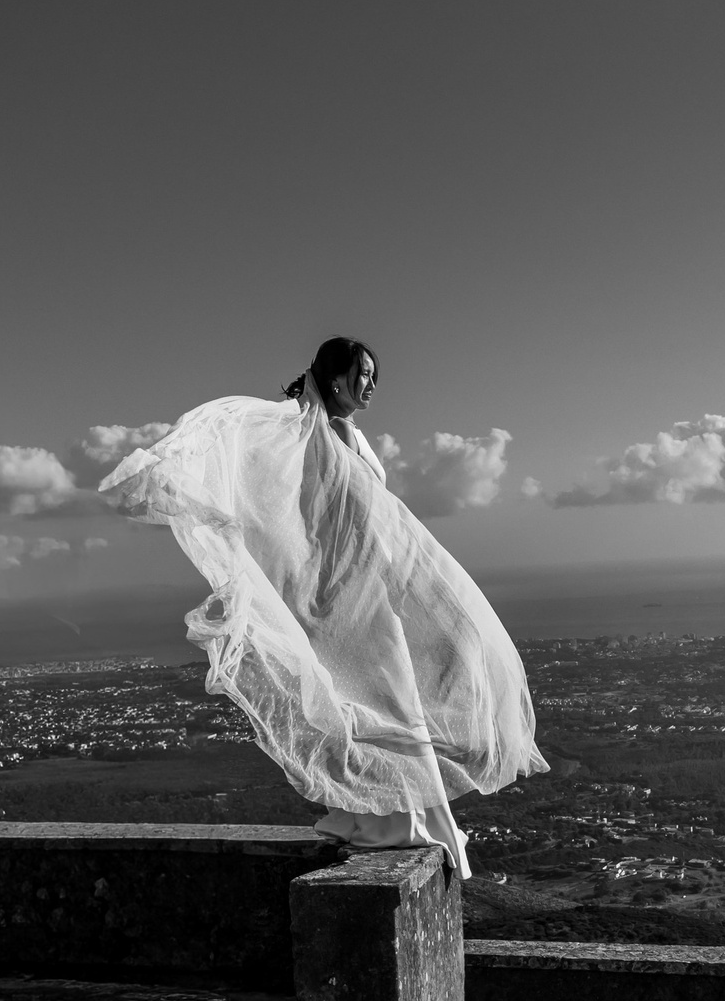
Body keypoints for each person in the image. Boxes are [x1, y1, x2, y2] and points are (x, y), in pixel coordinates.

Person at [99, 336, 545, 877]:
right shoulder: (317, 432)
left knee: (383, 700)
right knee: (384, 700)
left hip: (363, 588)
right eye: (362, 373)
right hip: (350, 593)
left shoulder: (338, 433)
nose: (371, 384)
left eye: (374, 375)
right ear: (335, 378)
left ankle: (382, 818)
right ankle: (389, 820)